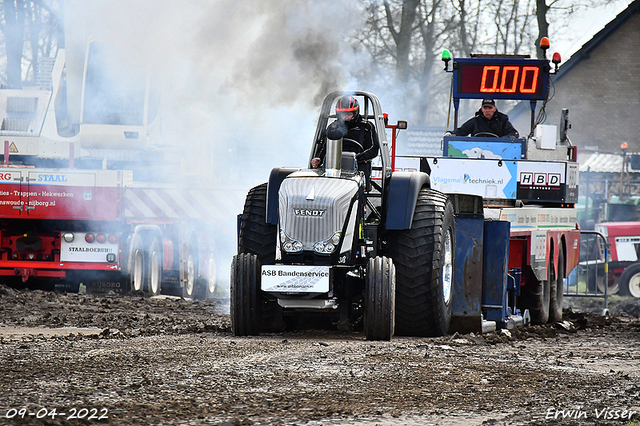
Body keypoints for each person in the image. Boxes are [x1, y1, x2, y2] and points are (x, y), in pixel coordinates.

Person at [311, 96, 380, 180]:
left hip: (359, 165)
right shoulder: (333, 128)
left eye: (349, 114)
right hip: (334, 166)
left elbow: (374, 149)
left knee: (361, 176)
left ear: (355, 113)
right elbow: (325, 146)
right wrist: (319, 158)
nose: (346, 117)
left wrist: (355, 159)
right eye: (343, 114)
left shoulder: (367, 127)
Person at [453, 98, 519, 138]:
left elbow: (513, 133)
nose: (487, 111)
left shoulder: (502, 120)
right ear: (482, 109)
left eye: (490, 108)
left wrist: (503, 139)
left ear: (494, 109)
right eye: (485, 108)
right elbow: (461, 131)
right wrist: (451, 134)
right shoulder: (475, 121)